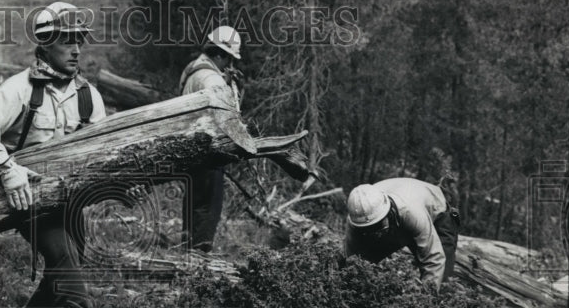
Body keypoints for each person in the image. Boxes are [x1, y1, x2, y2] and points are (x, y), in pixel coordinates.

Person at [0, 2, 116, 308]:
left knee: (63, 269)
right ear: (46, 43)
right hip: (28, 199)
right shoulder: (19, 89)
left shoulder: (89, 96)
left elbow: (101, 145)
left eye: (79, 41)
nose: (76, 49)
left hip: (70, 200)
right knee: (65, 261)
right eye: (67, 41)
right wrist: (8, 170)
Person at [178, 25, 317, 252]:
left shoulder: (193, 69)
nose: (231, 64)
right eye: (229, 58)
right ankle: (198, 256)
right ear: (220, 54)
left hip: (187, 146)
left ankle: (185, 250)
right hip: (207, 148)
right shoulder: (211, 79)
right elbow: (226, 114)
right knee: (208, 204)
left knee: (192, 201)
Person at [344, 177, 461, 291]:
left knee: (443, 279)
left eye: (378, 225)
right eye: (368, 228)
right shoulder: (356, 220)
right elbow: (351, 260)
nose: (375, 233)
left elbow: (433, 258)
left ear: (388, 211)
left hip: (438, 213)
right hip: (397, 217)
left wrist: (425, 301)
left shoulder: (412, 212)